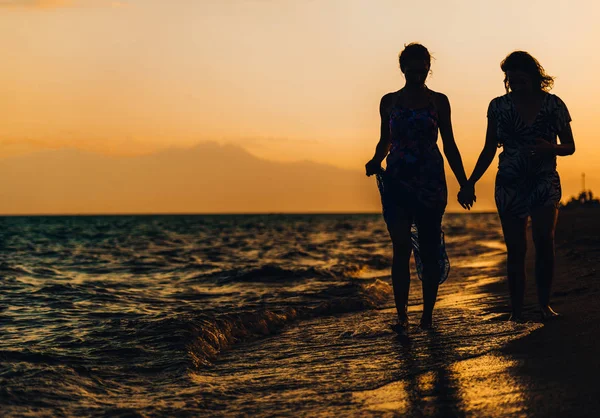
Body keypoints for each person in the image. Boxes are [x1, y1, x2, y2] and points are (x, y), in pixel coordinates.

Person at [459, 51, 575, 321]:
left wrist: (552, 148)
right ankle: (517, 312)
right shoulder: (498, 106)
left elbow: (570, 145)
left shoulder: (554, 105)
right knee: (516, 248)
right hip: (510, 183)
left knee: (544, 241)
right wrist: (470, 182)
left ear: (534, 76)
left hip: (544, 181)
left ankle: (544, 305)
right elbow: (489, 148)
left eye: (521, 77)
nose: (515, 83)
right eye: (510, 79)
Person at [365, 43, 469, 334]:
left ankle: (427, 317)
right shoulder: (389, 102)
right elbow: (385, 140)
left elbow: (449, 144)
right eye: (411, 68)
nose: (416, 73)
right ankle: (401, 317)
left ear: (428, 68)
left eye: (422, 68)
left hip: (430, 181)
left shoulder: (439, 101)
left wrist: (464, 183)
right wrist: (375, 159)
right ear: (402, 69)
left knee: (428, 247)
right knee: (400, 246)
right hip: (397, 180)